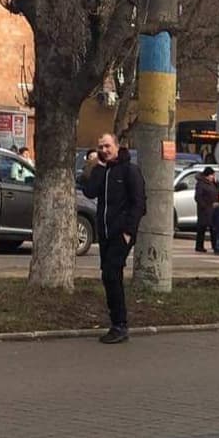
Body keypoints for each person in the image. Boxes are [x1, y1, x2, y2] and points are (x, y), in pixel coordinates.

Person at [81, 133, 147, 344]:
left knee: (111, 274)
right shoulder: (104, 170)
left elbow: (139, 203)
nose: (104, 150)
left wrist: (129, 231)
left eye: (108, 146)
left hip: (121, 233)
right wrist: (97, 167)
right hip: (106, 233)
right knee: (109, 276)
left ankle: (120, 325)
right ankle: (117, 322)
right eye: (101, 146)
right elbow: (90, 192)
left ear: (117, 146)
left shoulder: (129, 170)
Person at [194, 167, 219, 253]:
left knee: (213, 228)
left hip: (212, 209)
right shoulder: (201, 184)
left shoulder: (212, 183)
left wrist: (217, 183)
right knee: (202, 228)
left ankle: (215, 245)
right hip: (204, 210)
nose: (213, 177)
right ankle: (199, 246)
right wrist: (204, 206)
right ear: (207, 175)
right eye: (212, 175)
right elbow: (198, 197)